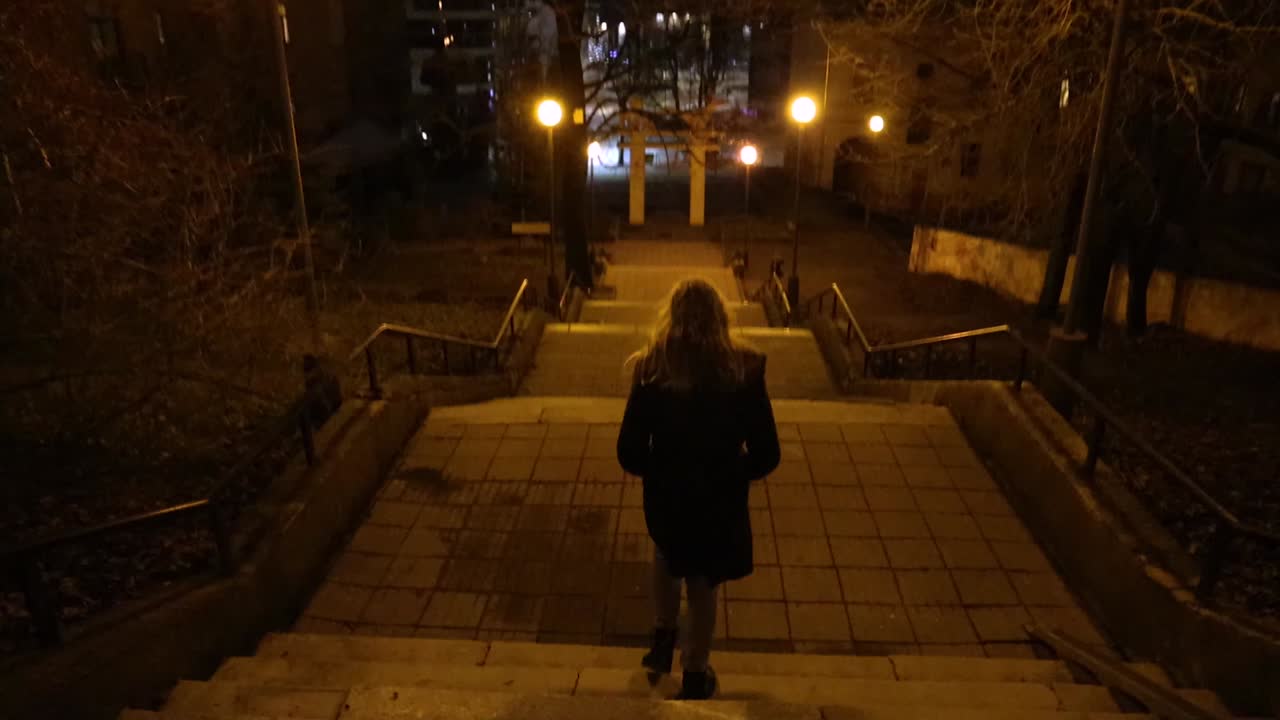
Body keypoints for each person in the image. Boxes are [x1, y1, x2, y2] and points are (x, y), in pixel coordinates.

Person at [617, 279, 781, 700]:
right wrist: (732, 471)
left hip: (668, 498)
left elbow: (629, 451)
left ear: (671, 316)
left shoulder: (653, 368)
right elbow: (767, 452)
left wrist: (661, 469)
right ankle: (695, 671)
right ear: (721, 317)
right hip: (718, 501)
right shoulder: (744, 370)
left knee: (667, 553)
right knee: (704, 581)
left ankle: (662, 637)